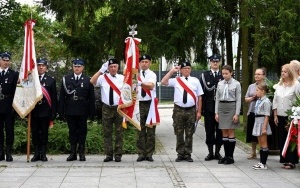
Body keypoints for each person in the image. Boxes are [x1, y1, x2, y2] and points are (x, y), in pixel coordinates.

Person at [161, 61, 203, 162]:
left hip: (191, 109)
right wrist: (172, 71)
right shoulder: (176, 80)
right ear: (181, 70)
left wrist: (199, 112)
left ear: (191, 69)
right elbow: (163, 82)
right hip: (178, 109)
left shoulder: (195, 80)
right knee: (179, 132)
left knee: (189, 133)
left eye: (188, 68)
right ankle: (180, 153)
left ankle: (188, 153)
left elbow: (200, 97)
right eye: (184, 68)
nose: (186, 70)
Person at [58, 58, 95, 161]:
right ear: (72, 67)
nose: (77, 68)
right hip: (70, 108)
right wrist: (61, 110)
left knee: (82, 131)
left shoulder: (88, 79)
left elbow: (91, 97)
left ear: (83, 67)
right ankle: (73, 153)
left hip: (83, 109)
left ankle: (81, 153)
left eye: (79, 66)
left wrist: (92, 111)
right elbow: (62, 96)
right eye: (75, 66)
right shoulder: (67, 79)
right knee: (72, 131)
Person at [90, 58, 124, 162]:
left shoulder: (122, 78)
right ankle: (108, 154)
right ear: (108, 68)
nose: (113, 68)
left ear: (118, 67)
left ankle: (118, 155)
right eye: (111, 67)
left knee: (119, 132)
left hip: (119, 108)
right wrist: (101, 70)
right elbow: (92, 81)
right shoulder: (102, 77)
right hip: (106, 108)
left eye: (115, 66)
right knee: (107, 132)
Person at [273, 64, 300, 169]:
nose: (282, 73)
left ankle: (292, 161)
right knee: (282, 138)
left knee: (291, 138)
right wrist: (275, 114)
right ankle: (284, 158)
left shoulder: (296, 84)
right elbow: (275, 100)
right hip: (280, 115)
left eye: (285, 71)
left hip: (291, 117)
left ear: (290, 72)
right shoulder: (280, 85)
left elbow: (298, 99)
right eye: (282, 71)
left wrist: (296, 115)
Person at [30, 58, 57, 162]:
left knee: (44, 133)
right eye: (39, 65)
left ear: (46, 68)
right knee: (35, 133)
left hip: (45, 111)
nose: (41, 67)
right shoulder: (31, 79)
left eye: (43, 66)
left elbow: (54, 98)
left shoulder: (51, 80)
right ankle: (36, 154)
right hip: (34, 110)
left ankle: (43, 153)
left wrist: (53, 113)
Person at [215, 65, 241, 165]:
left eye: (226, 73)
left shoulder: (236, 84)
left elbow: (238, 99)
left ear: (231, 73)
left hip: (231, 107)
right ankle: (226, 156)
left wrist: (237, 114)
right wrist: (216, 112)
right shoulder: (220, 83)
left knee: (230, 131)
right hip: (222, 107)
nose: (224, 75)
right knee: (224, 132)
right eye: (223, 73)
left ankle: (231, 156)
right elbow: (217, 98)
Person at [200, 54, 224, 161]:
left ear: (219, 62)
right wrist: (201, 110)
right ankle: (210, 152)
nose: (215, 63)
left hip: (221, 109)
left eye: (217, 61)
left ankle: (217, 152)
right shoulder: (204, 75)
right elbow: (201, 93)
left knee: (220, 131)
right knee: (209, 131)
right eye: (213, 61)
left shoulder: (223, 75)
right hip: (209, 108)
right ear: (210, 62)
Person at [136, 55, 158, 162]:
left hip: (150, 104)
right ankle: (141, 153)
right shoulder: (135, 74)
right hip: (138, 103)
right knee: (140, 130)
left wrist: (140, 83)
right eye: (142, 62)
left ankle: (149, 154)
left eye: (146, 61)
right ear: (139, 63)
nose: (144, 63)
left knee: (150, 131)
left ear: (150, 63)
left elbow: (150, 86)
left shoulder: (152, 74)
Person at [0, 52, 19, 162]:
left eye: (8, 61)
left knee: (9, 130)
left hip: (8, 106)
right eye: (4, 60)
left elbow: (16, 92)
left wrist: (14, 107)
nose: (6, 62)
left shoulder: (14, 74)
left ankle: (8, 152)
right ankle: (0, 152)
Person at [245, 67, 267, 160]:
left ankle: (263, 150)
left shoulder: (266, 86)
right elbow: (246, 99)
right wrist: (252, 98)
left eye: (259, 74)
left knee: (261, 133)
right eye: (255, 74)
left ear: (263, 75)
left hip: (262, 113)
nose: (256, 76)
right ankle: (253, 151)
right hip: (252, 111)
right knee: (252, 132)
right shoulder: (251, 86)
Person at [252, 82, 272, 170]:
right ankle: (261, 162)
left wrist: (264, 127)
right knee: (260, 143)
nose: (256, 92)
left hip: (262, 122)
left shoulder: (266, 101)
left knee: (264, 143)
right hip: (257, 122)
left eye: (257, 90)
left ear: (263, 91)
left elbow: (267, 115)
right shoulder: (259, 100)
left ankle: (264, 163)